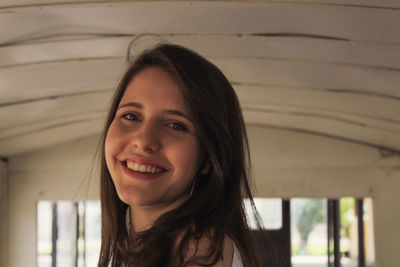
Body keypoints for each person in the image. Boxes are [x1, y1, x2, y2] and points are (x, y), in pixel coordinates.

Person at [98, 43, 270, 267]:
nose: (144, 141)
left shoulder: (197, 254)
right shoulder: (146, 247)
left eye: (175, 125)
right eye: (131, 116)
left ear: (209, 158)